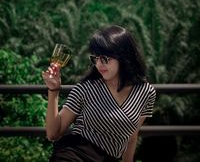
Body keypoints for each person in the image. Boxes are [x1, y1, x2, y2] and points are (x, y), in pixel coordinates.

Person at [42, 25, 156, 162]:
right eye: (95, 58)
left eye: (105, 59)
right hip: (74, 154)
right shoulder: (86, 88)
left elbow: (131, 136)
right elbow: (53, 133)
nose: (99, 64)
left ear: (124, 57)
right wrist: (53, 90)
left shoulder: (146, 92)